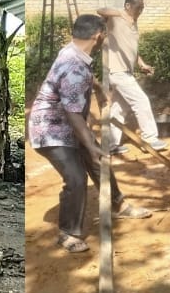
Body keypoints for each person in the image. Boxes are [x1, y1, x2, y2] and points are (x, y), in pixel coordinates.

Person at [29, 13, 152, 254]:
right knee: (76, 176)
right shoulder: (74, 66)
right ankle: (67, 233)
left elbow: (83, 77)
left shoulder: (73, 52)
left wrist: (96, 87)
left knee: (98, 163)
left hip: (65, 124)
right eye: (105, 35)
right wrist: (91, 147)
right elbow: (73, 113)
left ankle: (119, 204)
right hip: (50, 130)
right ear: (98, 36)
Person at [97, 0, 167, 154]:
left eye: (142, 8)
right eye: (138, 8)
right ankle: (150, 138)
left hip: (125, 71)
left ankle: (110, 145)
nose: (140, 11)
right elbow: (100, 10)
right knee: (141, 101)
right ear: (128, 6)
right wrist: (120, 13)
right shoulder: (116, 19)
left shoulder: (134, 23)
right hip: (116, 70)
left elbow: (131, 48)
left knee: (119, 109)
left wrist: (141, 64)